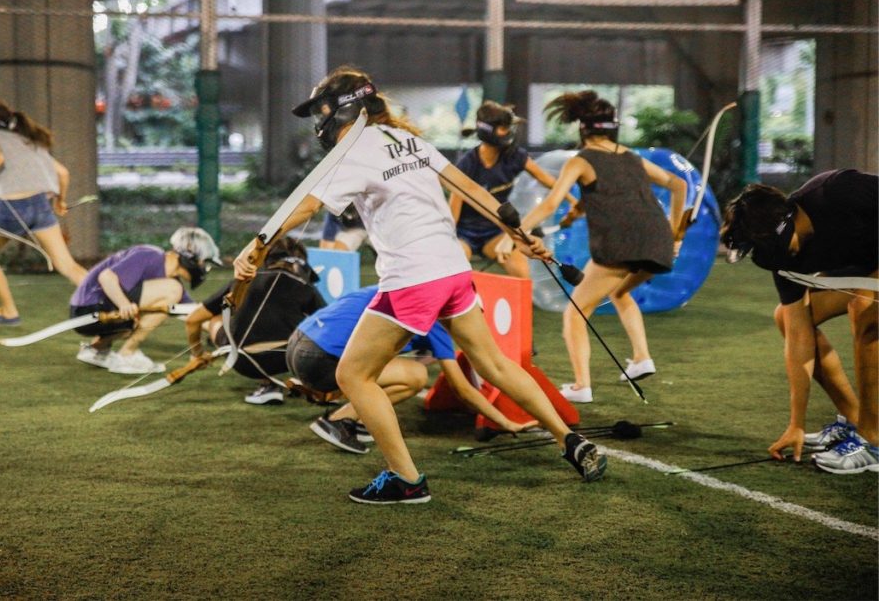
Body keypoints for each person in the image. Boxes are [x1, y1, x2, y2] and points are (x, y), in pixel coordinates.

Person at [235, 65, 607, 505]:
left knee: (352, 374)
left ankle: (405, 478)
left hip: (413, 278)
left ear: (343, 110)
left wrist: (257, 245)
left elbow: (305, 207)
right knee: (497, 365)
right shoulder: (410, 141)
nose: (319, 120)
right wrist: (525, 238)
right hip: (452, 271)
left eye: (322, 110)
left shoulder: (356, 152)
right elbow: (477, 193)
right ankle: (571, 442)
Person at [497, 90, 687, 404]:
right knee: (620, 292)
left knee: (575, 313)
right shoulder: (632, 157)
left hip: (619, 244)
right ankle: (642, 358)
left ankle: (581, 385)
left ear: (583, 130)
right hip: (659, 243)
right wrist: (676, 233)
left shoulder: (583, 160)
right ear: (613, 128)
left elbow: (550, 204)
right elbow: (678, 185)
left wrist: (514, 233)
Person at [721, 171, 878, 474]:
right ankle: (856, 419)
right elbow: (798, 333)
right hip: (866, 263)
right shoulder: (781, 254)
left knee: (865, 309)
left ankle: (874, 441)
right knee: (786, 315)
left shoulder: (838, 192)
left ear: (781, 224)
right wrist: (797, 423)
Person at [287, 286, 539, 454]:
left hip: (297, 344)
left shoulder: (409, 288)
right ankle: (340, 419)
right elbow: (461, 388)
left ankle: (360, 417)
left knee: (406, 366)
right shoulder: (439, 319)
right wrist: (504, 421)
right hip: (320, 357)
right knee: (415, 376)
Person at [0, 99, 88, 325]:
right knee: (67, 266)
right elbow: (63, 173)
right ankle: (115, 300)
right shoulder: (28, 140)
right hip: (42, 205)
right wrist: (61, 202)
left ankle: (9, 312)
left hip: (13, 207)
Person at [185, 237, 326, 405]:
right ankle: (305, 383)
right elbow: (329, 328)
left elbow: (193, 319)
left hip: (243, 361)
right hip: (287, 361)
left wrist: (197, 355)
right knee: (309, 328)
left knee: (215, 319)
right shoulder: (306, 287)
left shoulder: (244, 280)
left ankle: (269, 384)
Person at [450, 100, 579, 278]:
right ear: (488, 131)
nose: (508, 132)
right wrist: (447, 238)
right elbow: (454, 207)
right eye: (503, 128)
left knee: (522, 273)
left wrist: (573, 201)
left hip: (495, 231)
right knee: (456, 269)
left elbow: (546, 180)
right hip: (464, 233)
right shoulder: (467, 164)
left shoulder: (515, 156)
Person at [72, 227, 220, 375]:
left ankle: (97, 351)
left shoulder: (169, 283)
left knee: (170, 295)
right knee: (173, 290)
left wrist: (225, 333)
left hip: (100, 311)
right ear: (191, 256)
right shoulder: (151, 255)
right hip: (87, 310)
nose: (204, 269)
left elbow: (195, 313)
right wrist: (123, 303)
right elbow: (106, 277)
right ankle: (127, 355)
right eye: (204, 262)